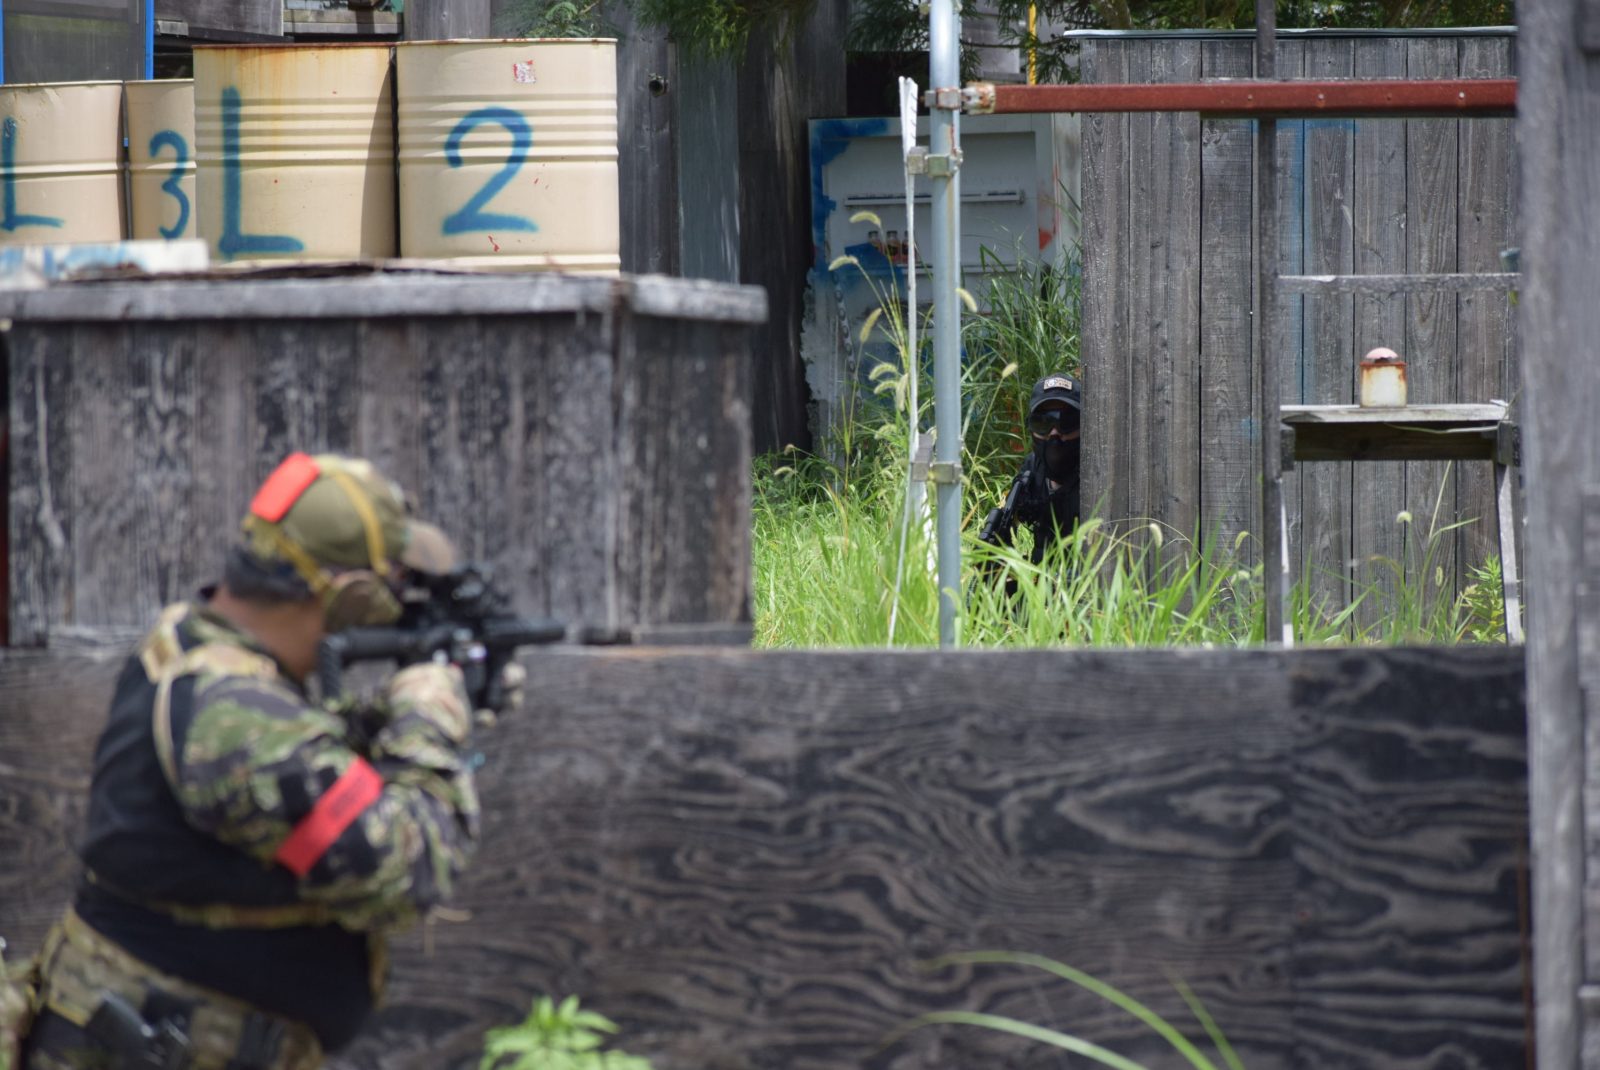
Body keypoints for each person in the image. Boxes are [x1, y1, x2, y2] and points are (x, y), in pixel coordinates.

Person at [20, 452, 503, 1070]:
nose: (397, 603)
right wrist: (430, 721)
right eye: (392, 586)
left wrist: (381, 717)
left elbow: (292, 768)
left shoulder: (192, 643)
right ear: (352, 595)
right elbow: (407, 875)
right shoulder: (234, 716)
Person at [978, 372, 1083, 563]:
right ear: (1031, 427)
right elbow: (1008, 521)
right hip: (1039, 575)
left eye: (1066, 421)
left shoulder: (1098, 472)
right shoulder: (1031, 470)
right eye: (1043, 423)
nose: (1054, 433)